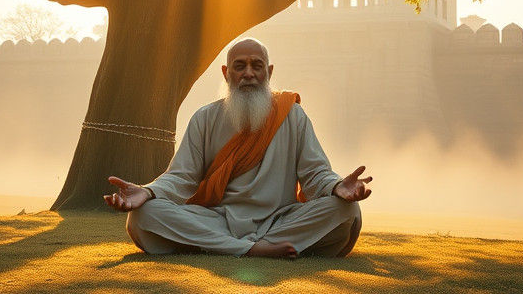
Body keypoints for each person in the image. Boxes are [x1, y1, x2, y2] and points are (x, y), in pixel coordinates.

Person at [104, 37, 372, 258]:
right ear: (226, 73)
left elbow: (315, 173)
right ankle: (254, 249)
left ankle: (221, 246)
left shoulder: (292, 115)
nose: (248, 73)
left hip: (280, 219)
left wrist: (337, 186)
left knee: (346, 210)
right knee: (143, 216)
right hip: (218, 219)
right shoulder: (205, 118)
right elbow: (181, 177)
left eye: (257, 66)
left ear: (269, 72)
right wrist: (148, 192)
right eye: (240, 66)